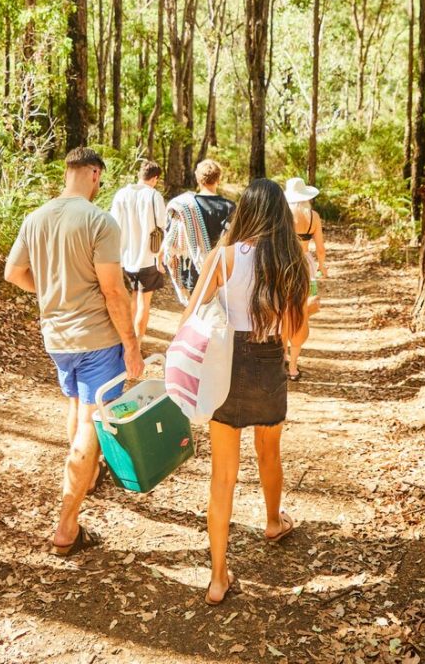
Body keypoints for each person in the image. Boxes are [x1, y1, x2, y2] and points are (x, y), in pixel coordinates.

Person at [4, 146, 144, 556]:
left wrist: (50, 292)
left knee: (74, 405)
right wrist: (132, 345)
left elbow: (13, 273)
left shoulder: (36, 217)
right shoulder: (100, 221)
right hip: (97, 338)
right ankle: (66, 525)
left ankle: (88, 475)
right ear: (95, 174)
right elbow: (114, 291)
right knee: (90, 421)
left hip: (57, 337)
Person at [178, 179, 309, 605]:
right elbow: (296, 334)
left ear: (246, 212)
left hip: (225, 364)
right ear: (281, 217)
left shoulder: (224, 256)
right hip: (268, 360)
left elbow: (193, 313)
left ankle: (218, 578)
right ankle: (273, 522)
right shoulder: (292, 261)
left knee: (223, 476)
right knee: (269, 452)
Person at [164, 159, 235, 305]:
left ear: (197, 178)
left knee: (194, 319)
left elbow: (172, 241)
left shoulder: (185, 207)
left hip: (193, 273)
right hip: (221, 274)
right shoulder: (230, 207)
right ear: (218, 179)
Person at [110, 160, 166, 341]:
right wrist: (160, 257)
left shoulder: (121, 194)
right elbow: (162, 226)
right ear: (155, 178)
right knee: (143, 300)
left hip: (124, 256)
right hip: (147, 257)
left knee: (133, 296)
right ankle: (137, 342)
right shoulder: (153, 196)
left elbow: (113, 224)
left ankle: (127, 339)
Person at [283, 176, 329, 382]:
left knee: (282, 311)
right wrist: (322, 267)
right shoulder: (314, 217)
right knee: (302, 313)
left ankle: (281, 358)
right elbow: (320, 248)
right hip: (306, 265)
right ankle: (293, 366)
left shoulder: (283, 215)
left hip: (284, 264)